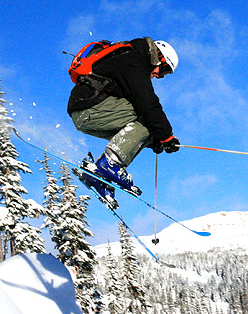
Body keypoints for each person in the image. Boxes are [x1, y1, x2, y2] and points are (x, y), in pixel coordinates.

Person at [67, 37, 180, 202]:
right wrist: (167, 135)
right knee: (148, 117)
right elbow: (147, 103)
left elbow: (134, 129)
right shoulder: (134, 61)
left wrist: (154, 139)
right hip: (90, 108)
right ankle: (110, 163)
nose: (158, 76)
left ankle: (98, 177)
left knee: (150, 127)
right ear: (159, 59)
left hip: (85, 112)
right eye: (163, 71)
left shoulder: (130, 57)